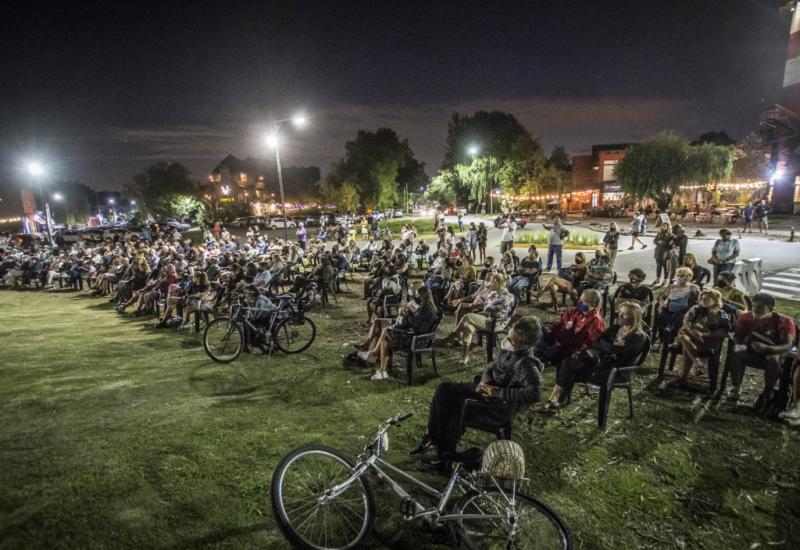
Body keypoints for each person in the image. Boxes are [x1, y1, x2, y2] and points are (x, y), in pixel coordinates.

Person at [412, 317, 543, 469]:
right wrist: (485, 381)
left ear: (524, 344)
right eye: (508, 336)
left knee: (451, 405)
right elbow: (491, 366)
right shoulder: (509, 350)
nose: (507, 342)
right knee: (444, 390)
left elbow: (534, 393)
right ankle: (434, 439)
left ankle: (444, 456)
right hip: (484, 392)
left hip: (494, 408)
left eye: (512, 340)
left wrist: (499, 392)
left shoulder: (526, 364)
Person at [536, 302, 647, 413]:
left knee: (571, 366)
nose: (620, 316)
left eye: (625, 314)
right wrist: (610, 345)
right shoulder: (617, 328)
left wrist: (609, 346)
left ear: (634, 317)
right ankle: (555, 400)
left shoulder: (638, 337)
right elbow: (595, 340)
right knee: (567, 361)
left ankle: (556, 401)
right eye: (620, 312)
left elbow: (612, 350)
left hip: (615, 372)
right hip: (600, 363)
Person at [728, 293, 796, 409]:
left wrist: (768, 349)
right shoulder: (746, 317)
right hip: (753, 349)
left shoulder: (784, 321)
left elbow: (787, 345)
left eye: (761, 307)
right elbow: (738, 335)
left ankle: (767, 391)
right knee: (735, 351)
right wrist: (740, 345)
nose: (756, 310)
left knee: (772, 359)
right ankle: (736, 385)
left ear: (770, 308)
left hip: (776, 351)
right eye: (754, 306)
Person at [359, 286, 439, 381]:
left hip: (416, 339)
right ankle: (381, 369)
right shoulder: (427, 305)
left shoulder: (426, 307)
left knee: (386, 332)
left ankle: (375, 356)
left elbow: (413, 323)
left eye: (417, 294)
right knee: (385, 337)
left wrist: (404, 311)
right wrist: (406, 312)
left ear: (422, 295)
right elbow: (413, 321)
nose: (415, 296)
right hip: (415, 335)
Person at [440, 273, 515, 366]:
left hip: (496, 323)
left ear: (499, 283)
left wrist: (479, 306)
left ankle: (453, 335)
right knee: (468, 326)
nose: (490, 284)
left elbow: (489, 308)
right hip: (487, 318)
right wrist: (481, 305)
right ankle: (465, 357)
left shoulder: (508, 296)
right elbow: (486, 306)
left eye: (492, 282)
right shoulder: (493, 293)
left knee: (467, 316)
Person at [535, 289, 605, 367]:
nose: (579, 303)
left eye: (583, 302)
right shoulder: (573, 311)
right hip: (558, 339)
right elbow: (559, 325)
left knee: (545, 350)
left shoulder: (596, 320)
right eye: (580, 300)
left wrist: (569, 331)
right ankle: (542, 352)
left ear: (592, 304)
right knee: (536, 324)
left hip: (569, 348)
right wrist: (563, 327)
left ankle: (543, 354)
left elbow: (588, 343)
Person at [673, 289, 731, 383]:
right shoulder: (695, 309)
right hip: (691, 338)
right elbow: (687, 322)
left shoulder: (721, 314)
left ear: (715, 301)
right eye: (702, 299)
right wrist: (694, 330)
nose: (703, 301)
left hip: (707, 341)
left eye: (707, 299)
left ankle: (684, 376)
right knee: (683, 336)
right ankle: (697, 364)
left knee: (683, 341)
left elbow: (724, 331)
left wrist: (705, 334)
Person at [653, 266, 700, 347]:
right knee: (662, 315)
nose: (681, 278)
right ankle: (662, 339)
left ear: (689, 277)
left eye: (684, 276)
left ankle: (672, 340)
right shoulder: (672, 287)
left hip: (684, 310)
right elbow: (661, 297)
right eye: (679, 275)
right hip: (669, 308)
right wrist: (662, 303)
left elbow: (698, 302)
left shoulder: (693, 288)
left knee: (680, 318)